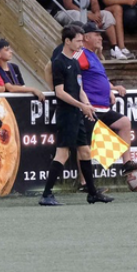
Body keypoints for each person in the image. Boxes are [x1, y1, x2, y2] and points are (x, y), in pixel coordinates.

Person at [39, 26, 111, 206]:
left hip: (77, 113)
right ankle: (46, 194)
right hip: (66, 114)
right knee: (62, 153)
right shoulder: (59, 62)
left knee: (85, 151)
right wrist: (81, 106)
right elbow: (59, 92)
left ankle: (92, 193)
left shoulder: (76, 62)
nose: (81, 44)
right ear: (67, 41)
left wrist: (87, 105)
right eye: (78, 41)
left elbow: (79, 89)